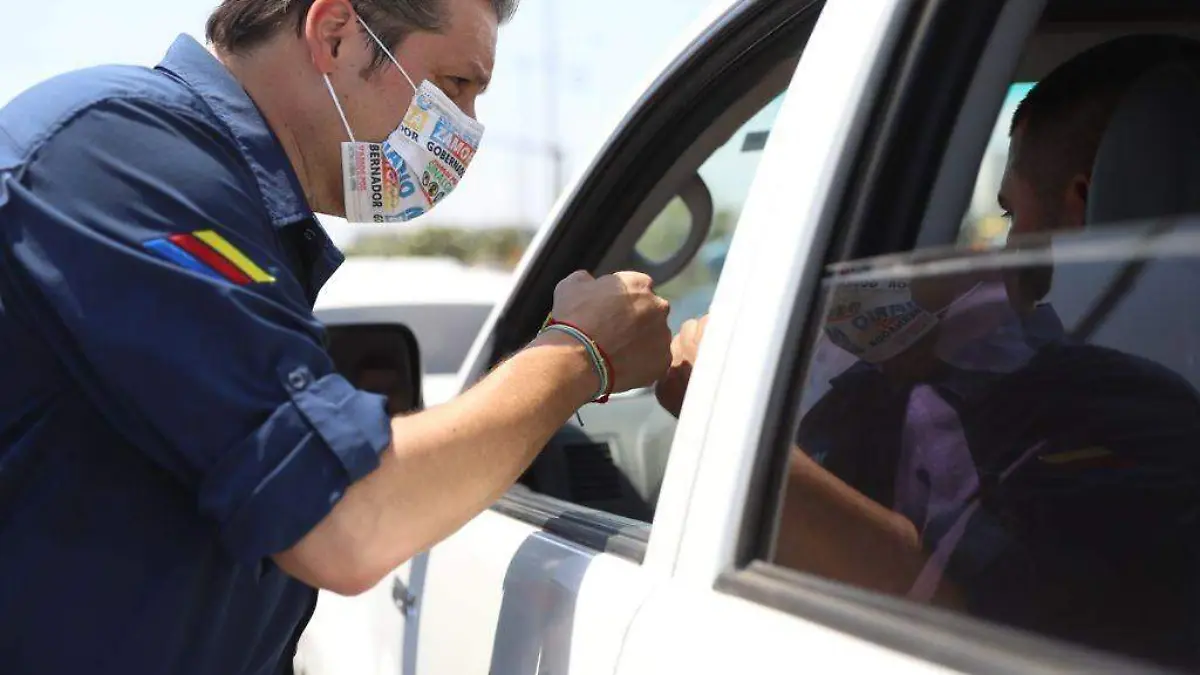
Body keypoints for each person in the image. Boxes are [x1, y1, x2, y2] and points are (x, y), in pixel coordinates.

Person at [0, 1, 672, 673]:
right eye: (457, 84)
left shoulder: (226, 197)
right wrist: (579, 352)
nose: (464, 128)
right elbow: (346, 526)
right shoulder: (120, 154)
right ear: (338, 35)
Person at [655, 34, 1200, 666]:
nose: (1006, 251)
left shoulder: (1125, 409)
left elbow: (948, 611)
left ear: (1082, 199)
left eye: (1012, 217)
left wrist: (718, 418)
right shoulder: (1102, 376)